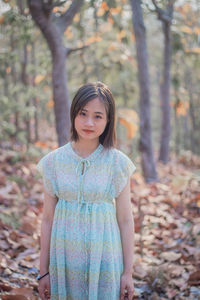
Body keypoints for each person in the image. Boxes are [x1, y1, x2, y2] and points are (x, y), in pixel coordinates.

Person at [36, 81, 136, 300]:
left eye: (98, 116)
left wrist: (128, 272)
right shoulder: (53, 162)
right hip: (64, 262)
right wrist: (43, 271)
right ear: (74, 114)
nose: (89, 122)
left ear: (109, 120)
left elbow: (126, 220)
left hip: (105, 262)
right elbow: (47, 219)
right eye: (83, 113)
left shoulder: (117, 163)